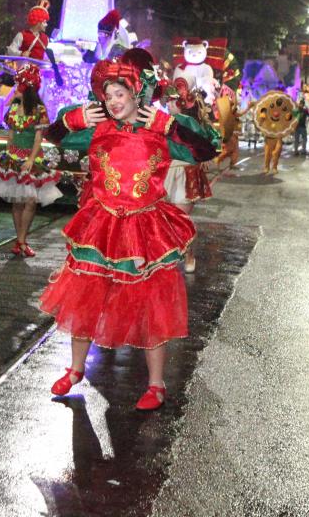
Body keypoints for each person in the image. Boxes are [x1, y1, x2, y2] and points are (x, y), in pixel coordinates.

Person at [39, 55, 219, 410]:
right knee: (85, 294)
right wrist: (70, 119)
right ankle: (75, 370)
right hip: (101, 224)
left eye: (120, 93)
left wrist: (171, 127)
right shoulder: (97, 127)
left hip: (145, 227)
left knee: (153, 303)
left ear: (136, 93)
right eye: (109, 96)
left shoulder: (161, 126)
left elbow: (206, 148)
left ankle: (155, 384)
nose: (113, 101)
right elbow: (53, 136)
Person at [0, 64, 60, 256]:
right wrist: (9, 154)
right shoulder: (14, 108)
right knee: (17, 201)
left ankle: (22, 239)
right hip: (13, 158)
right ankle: (20, 241)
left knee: (31, 200)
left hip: (31, 159)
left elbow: (38, 138)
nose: (14, 88)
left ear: (26, 88)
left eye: (18, 85)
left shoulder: (39, 110)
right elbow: (10, 135)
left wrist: (31, 160)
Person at [162, 77, 221, 272]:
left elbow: (204, 144)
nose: (168, 105)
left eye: (172, 101)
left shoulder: (186, 122)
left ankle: (188, 254)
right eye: (167, 101)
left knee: (180, 218)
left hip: (184, 174)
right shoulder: (161, 121)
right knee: (164, 220)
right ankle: (169, 255)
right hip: (165, 173)